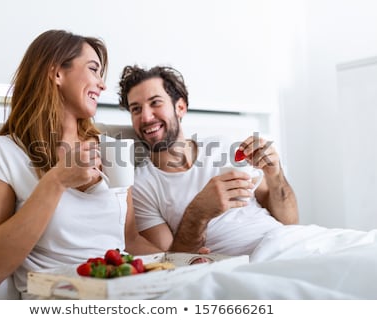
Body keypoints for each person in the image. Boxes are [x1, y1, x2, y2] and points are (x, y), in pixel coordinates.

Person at [0, 30, 161, 296]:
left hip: (125, 292)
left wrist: (186, 262)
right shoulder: (1, 153)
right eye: (93, 69)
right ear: (57, 73)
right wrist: (56, 181)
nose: (102, 85)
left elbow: (131, 240)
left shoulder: (110, 148)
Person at [117, 65, 299, 256]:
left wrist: (276, 176)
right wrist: (199, 212)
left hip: (289, 242)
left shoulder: (222, 147)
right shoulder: (141, 186)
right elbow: (171, 262)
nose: (145, 117)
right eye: (136, 109)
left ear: (180, 107)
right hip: (246, 263)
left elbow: (290, 222)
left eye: (155, 103)